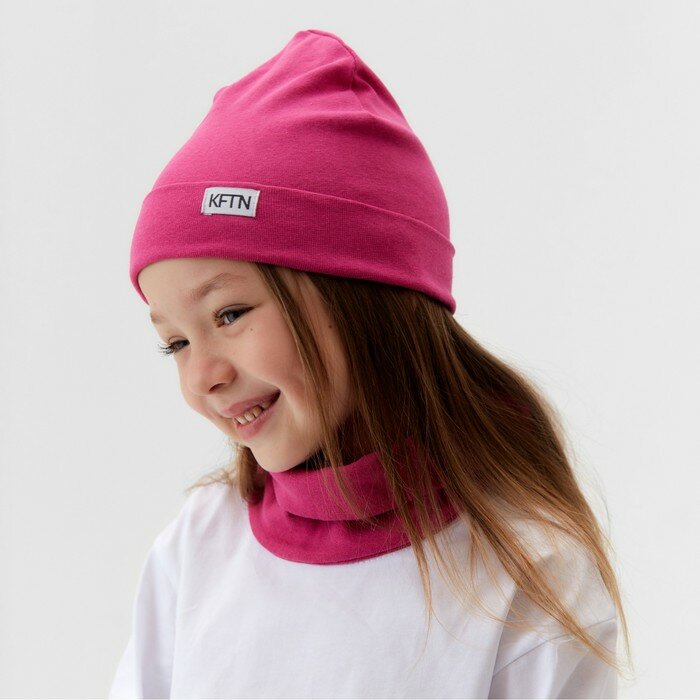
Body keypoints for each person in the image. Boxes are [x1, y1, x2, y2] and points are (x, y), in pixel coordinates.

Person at [107, 28, 632, 699]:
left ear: (362, 297)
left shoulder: (529, 572)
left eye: (229, 314)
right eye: (176, 343)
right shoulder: (198, 546)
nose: (202, 376)